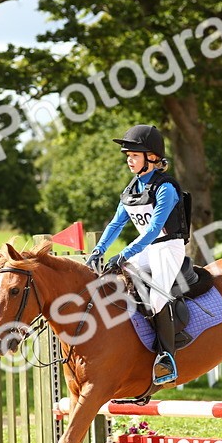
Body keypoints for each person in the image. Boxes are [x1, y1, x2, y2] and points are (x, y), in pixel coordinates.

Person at [86, 124, 190, 386]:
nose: (129, 160)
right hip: (146, 248)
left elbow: (155, 229)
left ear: (151, 157)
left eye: (134, 155)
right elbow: (115, 224)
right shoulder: (132, 188)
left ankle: (167, 357)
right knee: (112, 280)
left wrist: (124, 253)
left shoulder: (165, 188)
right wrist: (98, 250)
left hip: (168, 246)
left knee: (156, 298)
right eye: (128, 156)